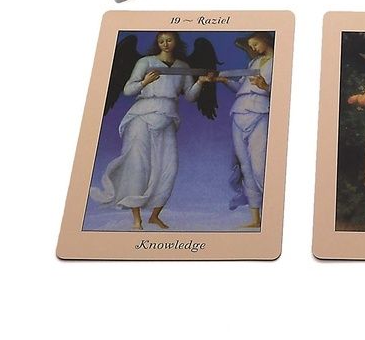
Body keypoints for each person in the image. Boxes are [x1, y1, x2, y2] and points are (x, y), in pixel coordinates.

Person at [90, 31, 213, 230]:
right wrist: (145, 82)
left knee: (169, 168)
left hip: (168, 117)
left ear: (176, 42)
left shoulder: (183, 67)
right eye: (161, 40)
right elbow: (128, 90)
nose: (165, 43)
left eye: (169, 40)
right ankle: (136, 220)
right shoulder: (145, 62)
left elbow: (190, 96)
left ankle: (154, 216)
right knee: (137, 165)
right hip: (142, 116)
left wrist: (200, 82)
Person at [221, 33, 274, 229]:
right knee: (246, 166)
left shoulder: (278, 61)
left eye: (255, 44)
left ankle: (272, 213)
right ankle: (255, 218)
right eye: (250, 46)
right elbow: (240, 87)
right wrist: (225, 81)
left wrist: (266, 87)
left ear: (265, 40)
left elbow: (284, 91)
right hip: (239, 111)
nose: (253, 48)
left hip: (260, 111)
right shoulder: (253, 63)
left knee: (260, 165)